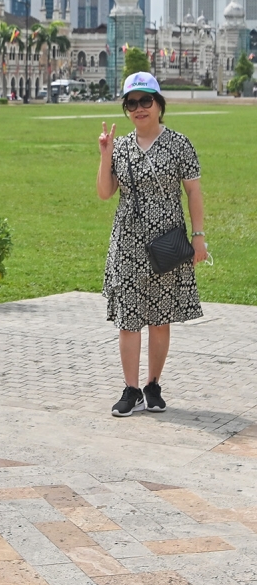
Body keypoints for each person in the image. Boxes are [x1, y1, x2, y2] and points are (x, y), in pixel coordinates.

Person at [97, 72, 207, 417]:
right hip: (128, 242)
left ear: (159, 105)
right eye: (132, 103)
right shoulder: (122, 146)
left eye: (147, 101)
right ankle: (130, 390)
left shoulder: (179, 144)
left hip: (167, 242)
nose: (140, 108)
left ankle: (153, 385)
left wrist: (199, 237)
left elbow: (193, 192)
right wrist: (105, 154)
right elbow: (105, 192)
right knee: (129, 319)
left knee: (161, 318)